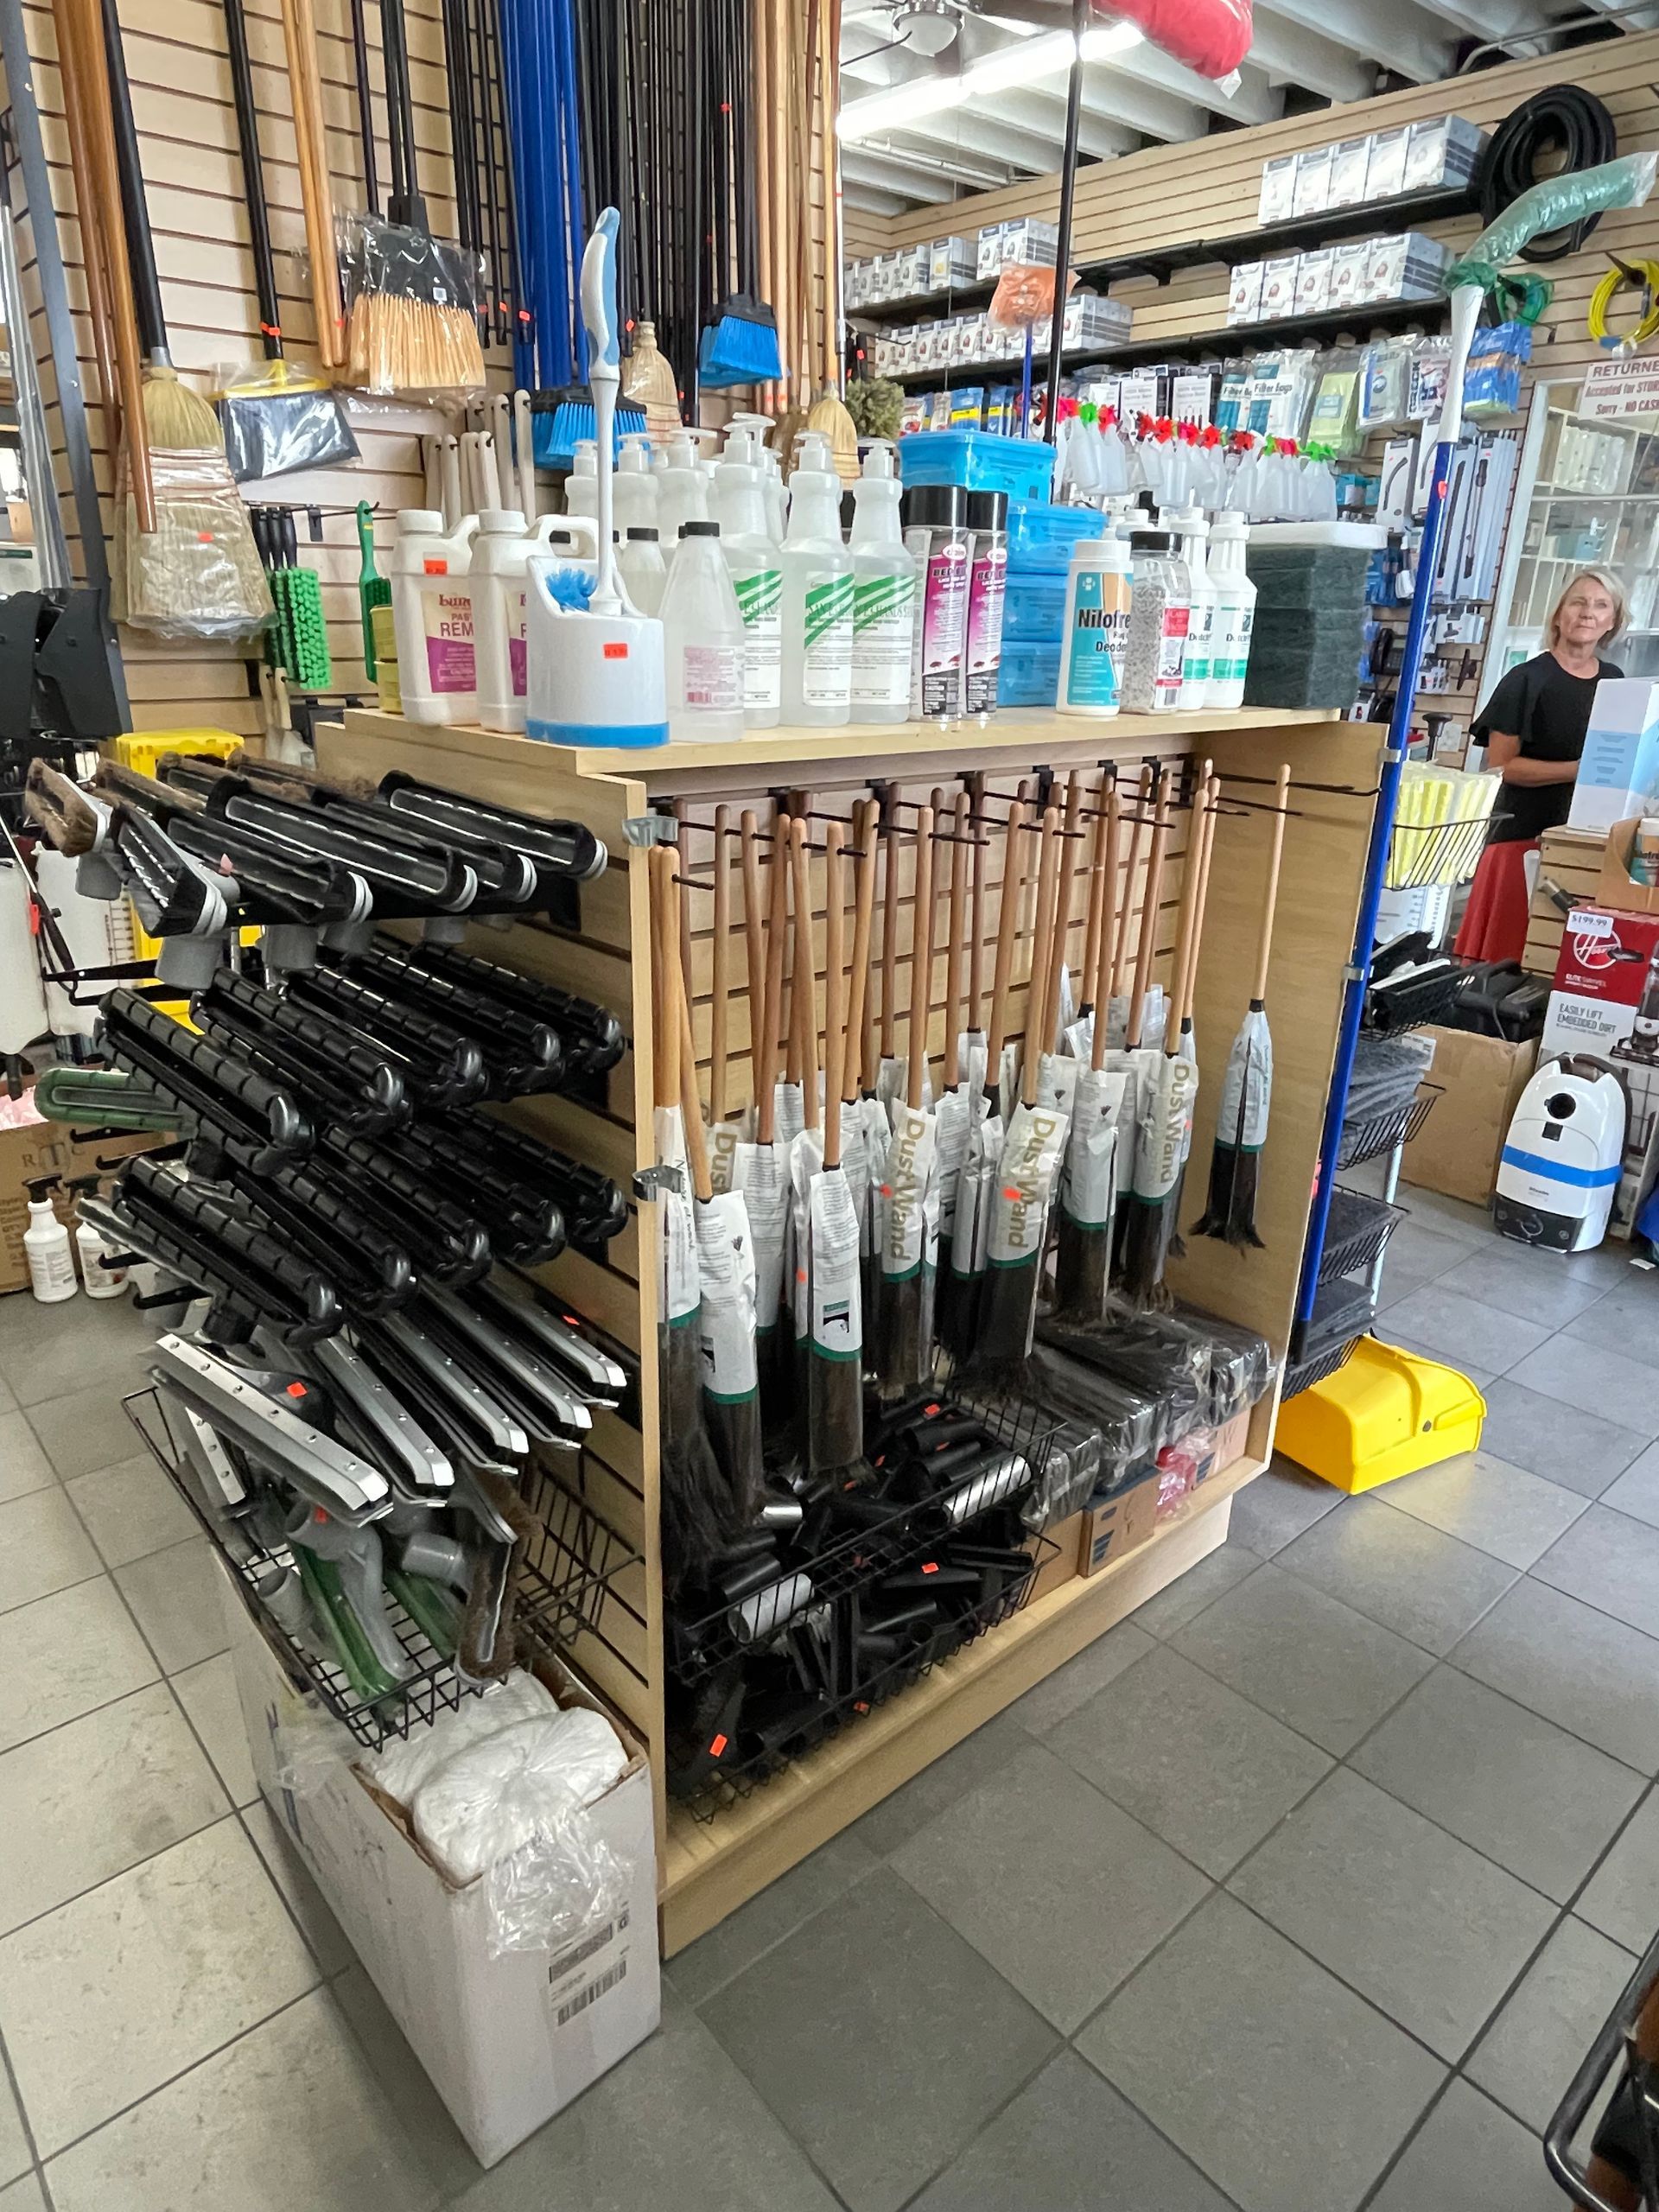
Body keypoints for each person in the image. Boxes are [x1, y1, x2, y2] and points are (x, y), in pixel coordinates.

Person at [1455, 568, 1627, 964]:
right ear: (1559, 614)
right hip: (1520, 838)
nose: (1588, 613)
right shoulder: (1526, 679)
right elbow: (1501, 767)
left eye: (1601, 605)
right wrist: (1576, 770)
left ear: (1613, 621)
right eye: (1578, 602)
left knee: (1562, 963)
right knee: (1503, 963)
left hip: (1584, 841)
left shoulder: (1616, 682)